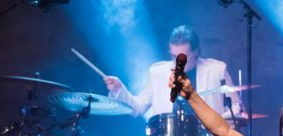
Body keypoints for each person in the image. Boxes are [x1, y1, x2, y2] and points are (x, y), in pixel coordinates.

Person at [104, 25, 242, 119]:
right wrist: (119, 89)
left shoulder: (217, 70)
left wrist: (219, 122)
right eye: (174, 56)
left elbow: (237, 108)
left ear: (197, 51)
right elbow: (138, 108)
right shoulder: (158, 72)